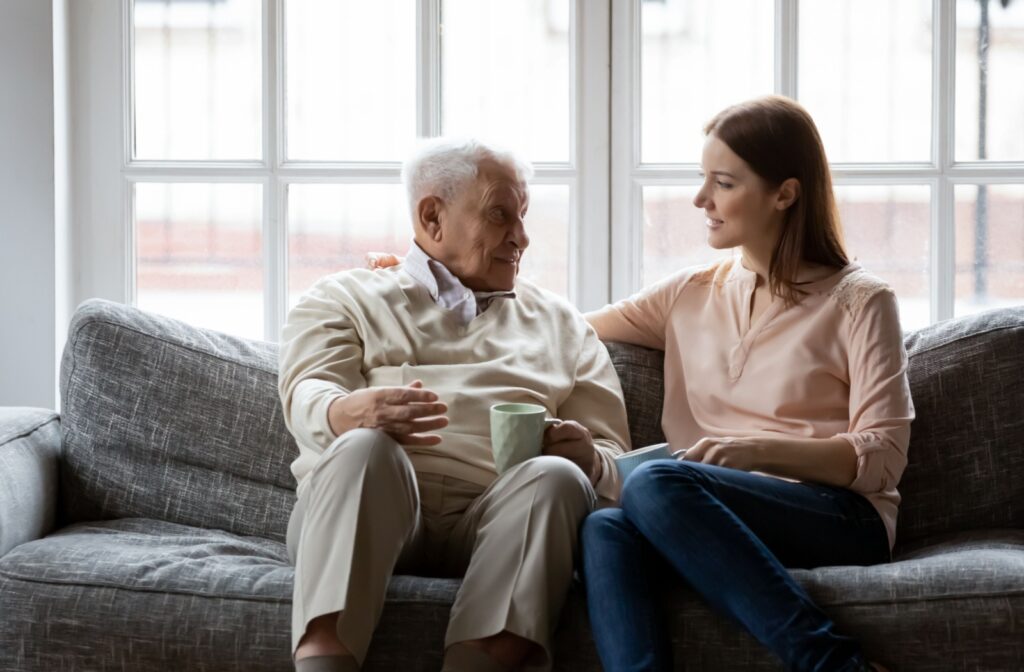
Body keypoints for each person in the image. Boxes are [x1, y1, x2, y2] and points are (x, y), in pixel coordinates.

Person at [579, 95, 912, 672]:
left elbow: (883, 458)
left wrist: (755, 450)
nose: (700, 200)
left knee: (656, 485)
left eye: (723, 183)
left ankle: (831, 664)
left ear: (784, 193)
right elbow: (562, 329)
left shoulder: (861, 301)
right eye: (702, 179)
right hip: (702, 510)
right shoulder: (688, 293)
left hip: (839, 517)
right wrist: (426, 289)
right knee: (606, 527)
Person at [278, 137, 631, 672]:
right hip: (375, 508)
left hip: (500, 519)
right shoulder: (343, 298)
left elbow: (614, 457)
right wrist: (351, 413)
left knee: (556, 476)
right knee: (362, 450)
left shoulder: (563, 325)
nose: (522, 237)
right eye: (499, 214)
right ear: (432, 216)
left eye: (523, 216)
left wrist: (587, 456)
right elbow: (308, 389)